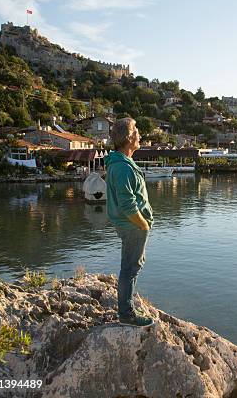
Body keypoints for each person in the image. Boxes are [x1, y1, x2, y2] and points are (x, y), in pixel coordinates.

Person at [105, 118, 154, 327]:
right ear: (129, 138)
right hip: (132, 225)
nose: (140, 136)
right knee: (130, 268)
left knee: (131, 266)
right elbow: (128, 204)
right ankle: (127, 314)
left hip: (131, 225)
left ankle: (127, 309)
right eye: (137, 132)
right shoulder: (123, 167)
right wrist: (143, 224)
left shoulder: (122, 163)